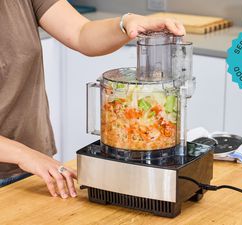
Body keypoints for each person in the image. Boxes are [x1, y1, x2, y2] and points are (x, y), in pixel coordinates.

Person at [0, 0, 185, 199]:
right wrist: (24, 155)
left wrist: (127, 22)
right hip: (30, 161)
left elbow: (81, 33)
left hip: (39, 170)